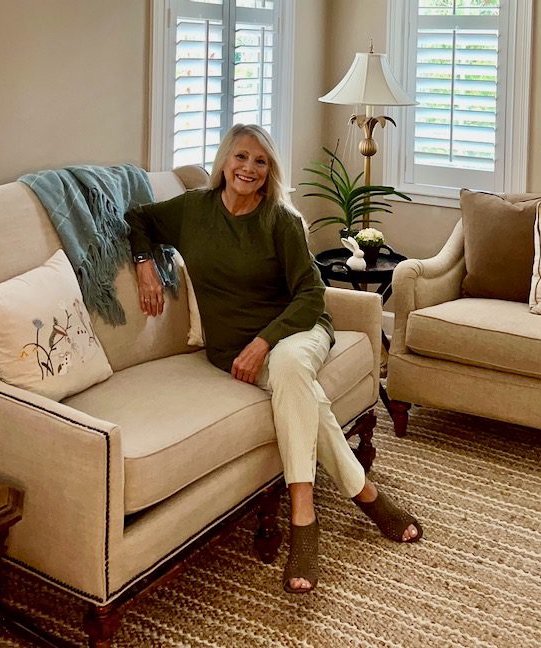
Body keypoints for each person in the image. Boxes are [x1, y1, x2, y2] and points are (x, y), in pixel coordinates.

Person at [125, 124, 422, 594]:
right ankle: (366, 494)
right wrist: (145, 264)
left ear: (269, 173)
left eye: (260, 162)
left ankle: (303, 517)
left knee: (288, 368)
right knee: (302, 395)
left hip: (297, 332)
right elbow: (137, 217)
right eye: (241, 157)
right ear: (225, 160)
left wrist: (264, 342)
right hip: (229, 350)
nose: (248, 168)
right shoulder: (192, 211)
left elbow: (310, 295)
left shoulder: (279, 220)